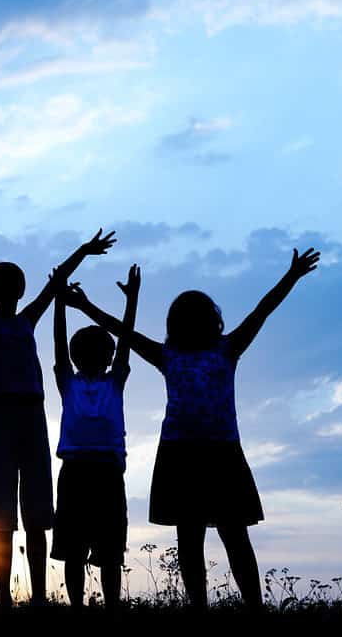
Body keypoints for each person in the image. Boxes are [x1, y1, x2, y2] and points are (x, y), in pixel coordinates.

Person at [67, 247, 321, 611]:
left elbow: (261, 310)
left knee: (219, 536)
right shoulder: (201, 351)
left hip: (198, 453)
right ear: (211, 320)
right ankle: (228, 609)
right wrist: (291, 276)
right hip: (198, 453)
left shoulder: (209, 350)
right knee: (209, 537)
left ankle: (239, 608)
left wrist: (291, 276)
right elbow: (260, 311)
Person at [0, 172, 115, 607]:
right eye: (2, 286)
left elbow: (55, 283)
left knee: (36, 513)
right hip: (2, 416)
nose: (7, 290)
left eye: (13, 286)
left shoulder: (27, 318)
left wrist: (84, 252)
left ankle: (37, 599)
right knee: (2, 514)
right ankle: (5, 599)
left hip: (31, 415)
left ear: (18, 290)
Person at [51, 265, 139, 610]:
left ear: (107, 357)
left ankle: (112, 606)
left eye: (101, 353)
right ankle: (77, 607)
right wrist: (59, 303)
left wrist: (131, 302)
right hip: (77, 471)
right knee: (75, 549)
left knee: (110, 549)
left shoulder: (113, 381)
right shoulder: (69, 382)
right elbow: (59, 344)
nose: (95, 358)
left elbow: (126, 341)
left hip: (103, 472)